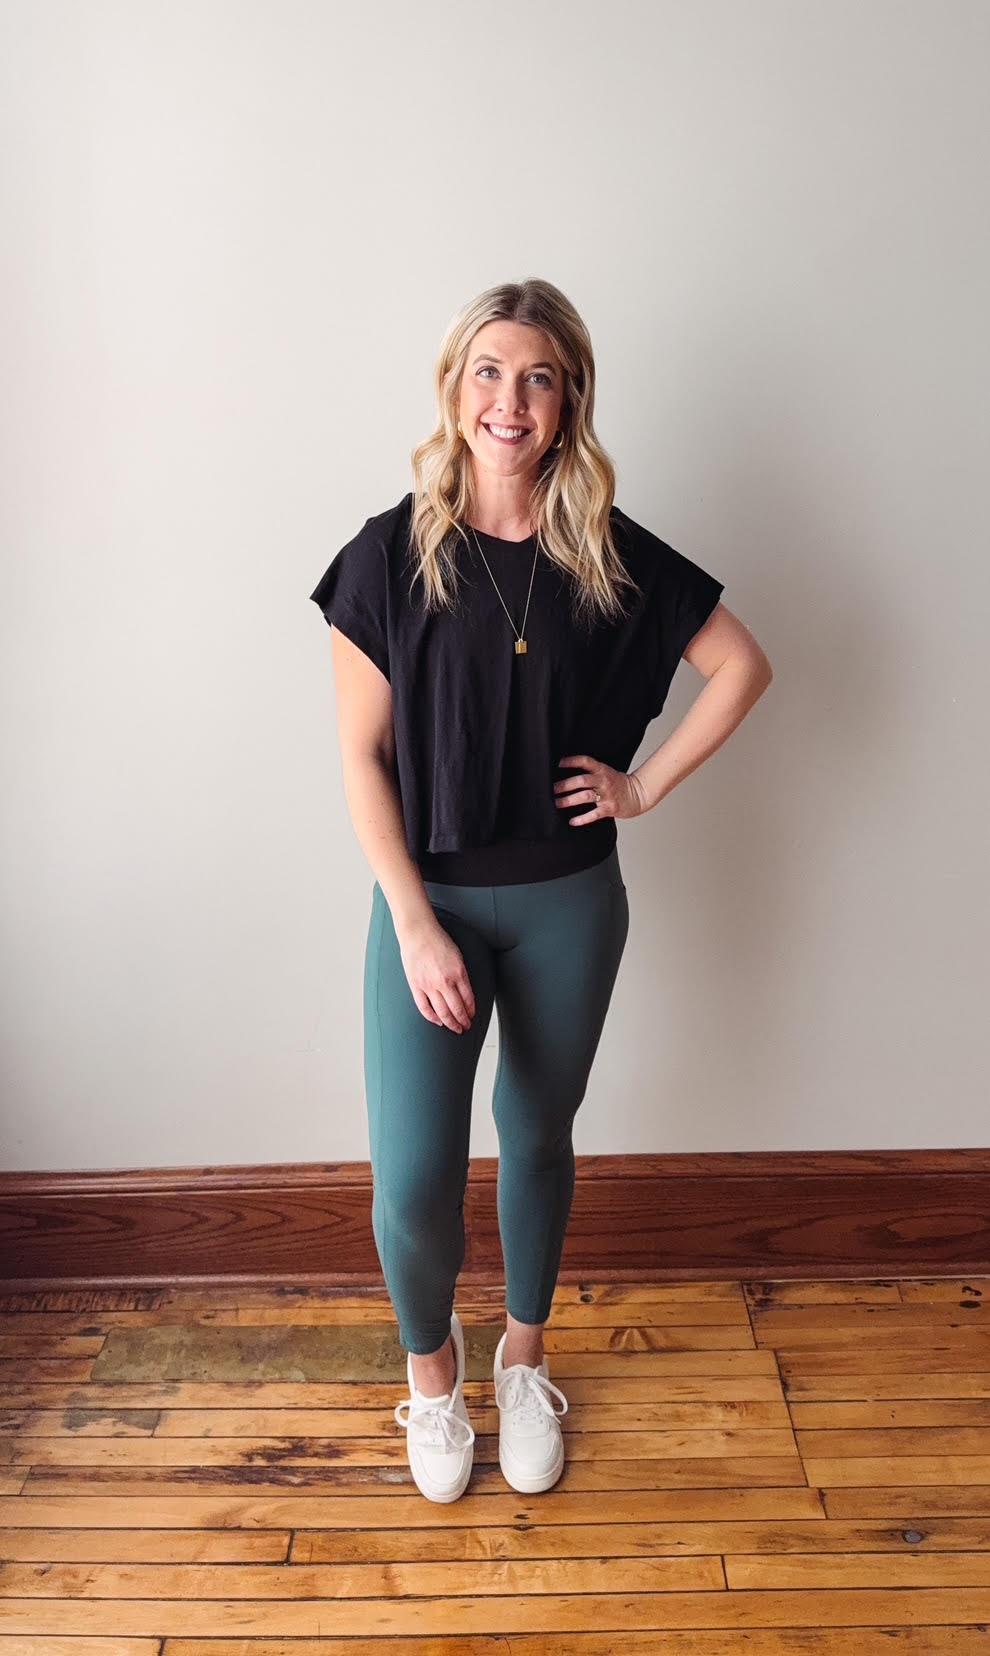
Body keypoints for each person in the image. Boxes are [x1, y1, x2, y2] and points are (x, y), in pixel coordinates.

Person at [309, 277, 773, 1505]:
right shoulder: (384, 556)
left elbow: (741, 664)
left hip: (570, 903)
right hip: (432, 907)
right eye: (489, 372)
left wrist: (647, 785)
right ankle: (431, 1376)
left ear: (567, 406)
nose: (509, 400)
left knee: (536, 1138)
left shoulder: (609, 555)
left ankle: (523, 1359)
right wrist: (412, 922)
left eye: (539, 378)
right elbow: (359, 758)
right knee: (411, 1181)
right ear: (455, 391)